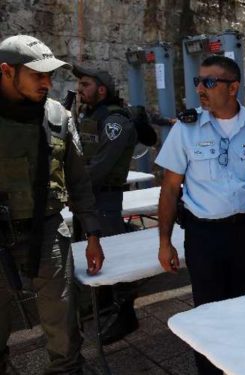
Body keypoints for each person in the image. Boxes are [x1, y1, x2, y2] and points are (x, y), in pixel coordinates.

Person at [155, 55, 245, 374]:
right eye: (198, 81)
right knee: (208, 315)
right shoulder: (186, 128)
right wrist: (164, 241)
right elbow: (170, 188)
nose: (200, 88)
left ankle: (241, 368)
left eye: (210, 82)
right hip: (204, 235)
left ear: (233, 87)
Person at [0, 34, 105, 374]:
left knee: (63, 325)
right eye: (37, 75)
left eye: (50, 75)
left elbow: (78, 180)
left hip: (47, 231)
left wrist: (92, 234)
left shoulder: (58, 116)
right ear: (6, 71)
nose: (47, 82)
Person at [73, 65, 139, 343]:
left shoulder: (115, 121)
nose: (79, 90)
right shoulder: (88, 114)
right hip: (88, 195)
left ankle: (125, 313)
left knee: (114, 252)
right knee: (90, 250)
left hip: (105, 196)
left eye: (85, 85)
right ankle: (101, 301)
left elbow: (100, 166)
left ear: (102, 89)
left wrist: (71, 182)